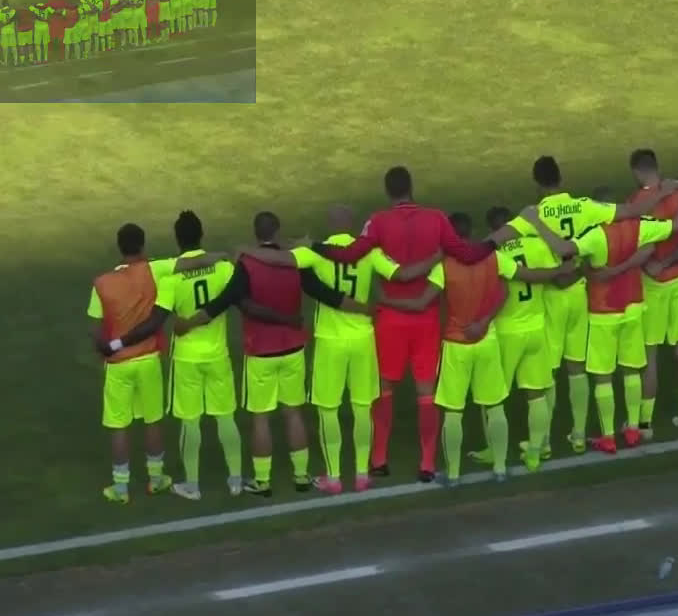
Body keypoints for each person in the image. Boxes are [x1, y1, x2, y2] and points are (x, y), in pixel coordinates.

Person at [237, 205, 439, 493]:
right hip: (362, 339)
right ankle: (361, 475)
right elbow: (403, 275)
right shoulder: (369, 252)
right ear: (352, 224)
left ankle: (333, 477)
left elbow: (280, 259)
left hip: (330, 341)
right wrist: (437, 257)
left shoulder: (318, 252)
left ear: (330, 224)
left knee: (328, 410)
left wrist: (247, 250)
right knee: (362, 408)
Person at [310, 166, 492, 482]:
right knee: (426, 393)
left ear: (387, 191)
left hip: (389, 319)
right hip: (426, 319)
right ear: (411, 187)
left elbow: (351, 254)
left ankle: (379, 459)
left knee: (383, 389)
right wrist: (493, 243)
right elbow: (464, 253)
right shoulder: (437, 218)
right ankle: (427, 464)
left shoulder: (378, 221)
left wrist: (316, 247)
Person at [486, 156, 678, 453]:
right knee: (577, 368)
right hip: (580, 293)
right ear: (561, 179)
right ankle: (578, 436)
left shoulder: (534, 215)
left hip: (551, 297)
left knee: (546, 373)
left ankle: (544, 442)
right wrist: (662, 192)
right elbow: (631, 211)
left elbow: (492, 242)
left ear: (537, 184)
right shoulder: (585, 206)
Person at [380, 213, 570, 484]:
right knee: (494, 405)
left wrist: (387, 301)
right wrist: (484, 322)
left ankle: (454, 474)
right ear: (471, 231)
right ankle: (500, 469)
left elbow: (421, 302)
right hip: (486, 340)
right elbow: (515, 284)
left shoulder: (444, 265)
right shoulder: (493, 258)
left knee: (453, 411)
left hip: (456, 345)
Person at [520, 186, 678, 452]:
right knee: (632, 370)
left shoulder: (594, 235)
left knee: (603, 377)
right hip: (633, 306)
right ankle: (633, 429)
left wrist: (537, 223)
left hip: (603, 311)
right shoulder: (640, 226)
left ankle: (609, 436)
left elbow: (563, 248)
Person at [104, 213, 241, 500]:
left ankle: (192, 485)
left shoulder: (171, 277)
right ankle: (236, 480)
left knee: (190, 422)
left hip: (186, 359)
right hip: (218, 354)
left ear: (178, 239)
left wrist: (120, 342)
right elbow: (238, 296)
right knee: (226, 418)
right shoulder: (224, 268)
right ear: (202, 234)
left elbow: (156, 320)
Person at [189, 212, 312, 496]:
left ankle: (263, 480)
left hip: (261, 351)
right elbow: (317, 286)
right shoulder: (294, 261)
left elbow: (224, 301)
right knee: (293, 413)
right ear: (277, 231)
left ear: (256, 234)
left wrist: (194, 321)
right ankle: (302, 476)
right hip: (293, 347)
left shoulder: (247, 265)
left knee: (260, 417)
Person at [87, 224, 180, 504]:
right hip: (148, 359)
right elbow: (189, 262)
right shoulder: (155, 270)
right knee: (152, 420)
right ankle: (156, 479)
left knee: (119, 425)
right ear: (143, 245)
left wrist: (104, 347)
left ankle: (121, 487)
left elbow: (95, 328)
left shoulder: (102, 283)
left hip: (118, 364)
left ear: (120, 247)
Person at [625, 149, 678, 441]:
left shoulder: (635, 203)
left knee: (650, 357)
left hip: (653, 286)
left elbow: (636, 249)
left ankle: (645, 424)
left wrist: (656, 265)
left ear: (636, 171)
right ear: (657, 166)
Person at [484, 206, 562, 470]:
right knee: (536, 394)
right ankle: (535, 452)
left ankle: (494, 452)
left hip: (506, 331)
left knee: (493, 397)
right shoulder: (537, 245)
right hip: (536, 327)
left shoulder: (492, 253)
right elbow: (556, 275)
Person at [0, 0, 16, 66]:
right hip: (11, 30)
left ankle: (5, 61)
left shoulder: (0, 12)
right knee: (13, 46)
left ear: (2, 4)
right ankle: (15, 61)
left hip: (4, 31)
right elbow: (14, 18)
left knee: (5, 47)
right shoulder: (12, 11)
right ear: (8, 4)